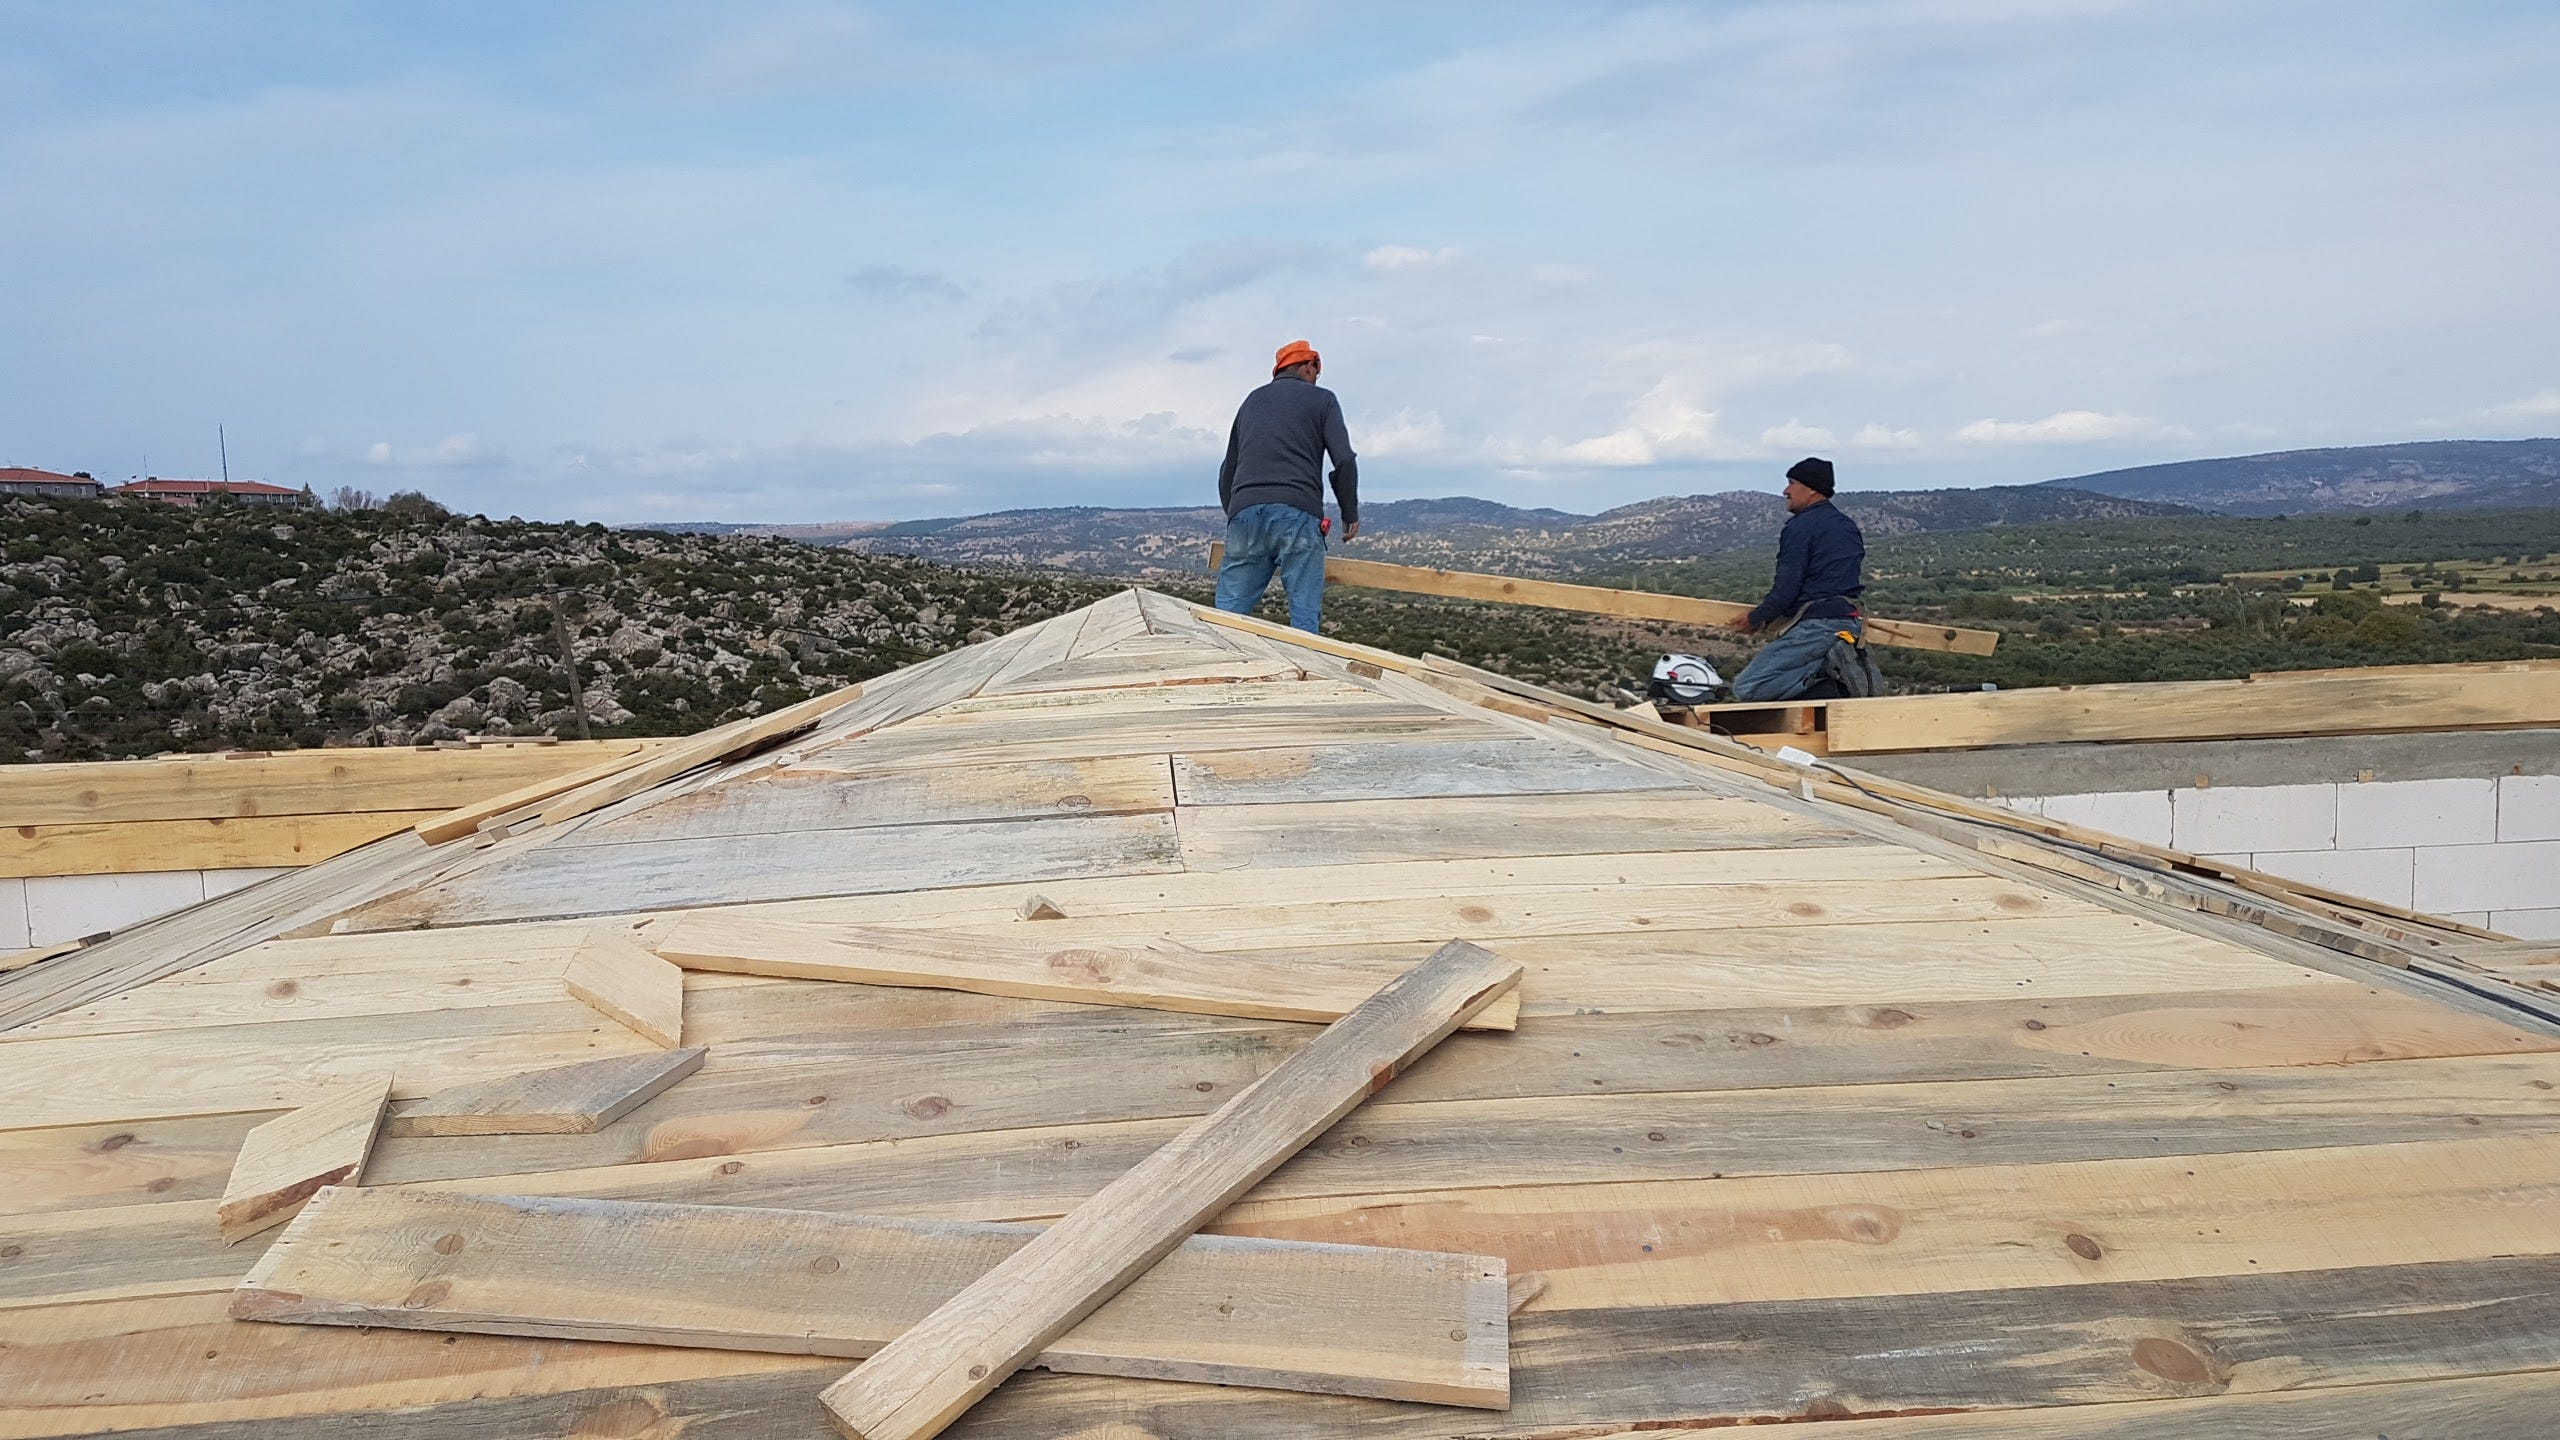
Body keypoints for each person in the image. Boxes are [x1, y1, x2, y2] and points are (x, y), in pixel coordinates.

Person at [1214, 339, 1358, 631]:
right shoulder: (1324, 400)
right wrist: (1349, 513)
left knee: (1226, 621)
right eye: (1316, 371)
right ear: (1307, 366)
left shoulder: (1252, 401)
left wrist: (1236, 514)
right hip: (1297, 513)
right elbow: (1343, 460)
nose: (1316, 379)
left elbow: (1228, 468)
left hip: (1245, 513)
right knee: (1304, 624)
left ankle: (1219, 671)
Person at [1726, 456, 1866, 701]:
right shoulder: (1846, 525)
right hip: (1848, 623)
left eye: (1791, 483)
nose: (1785, 491)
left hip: (1819, 625)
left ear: (1811, 489)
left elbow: (1787, 588)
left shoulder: (1801, 527)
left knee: (1748, 688)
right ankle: (1828, 674)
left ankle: (1830, 685)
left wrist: (1756, 618)